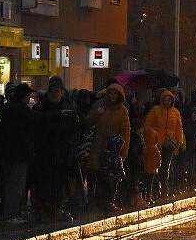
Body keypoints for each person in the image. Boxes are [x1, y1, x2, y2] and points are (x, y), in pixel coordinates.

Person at [32, 76, 79, 220]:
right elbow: (37, 123)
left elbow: (74, 129)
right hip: (44, 152)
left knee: (58, 184)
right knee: (43, 183)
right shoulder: (41, 107)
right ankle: (43, 210)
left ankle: (56, 210)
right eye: (52, 90)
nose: (55, 93)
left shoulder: (68, 108)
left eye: (57, 91)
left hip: (62, 152)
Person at [86, 83, 131, 211]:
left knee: (110, 176)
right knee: (95, 173)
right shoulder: (99, 105)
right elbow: (88, 121)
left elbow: (126, 133)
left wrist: (123, 153)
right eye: (110, 93)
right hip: (97, 145)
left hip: (113, 148)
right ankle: (93, 201)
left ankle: (108, 201)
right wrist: (96, 114)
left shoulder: (122, 110)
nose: (112, 96)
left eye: (115, 94)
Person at [0, 83, 34, 224]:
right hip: (19, 153)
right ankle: (11, 214)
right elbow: (30, 131)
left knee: (7, 183)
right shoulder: (24, 110)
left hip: (5, 153)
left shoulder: (5, 108)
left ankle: (8, 212)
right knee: (16, 185)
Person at [143, 90, 185, 198]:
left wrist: (178, 141)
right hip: (156, 143)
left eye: (169, 99)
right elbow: (148, 124)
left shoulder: (175, 112)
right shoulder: (155, 110)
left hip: (170, 143)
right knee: (155, 166)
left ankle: (164, 189)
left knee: (166, 167)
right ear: (161, 100)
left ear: (172, 100)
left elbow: (178, 128)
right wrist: (152, 137)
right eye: (165, 99)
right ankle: (155, 190)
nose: (167, 101)